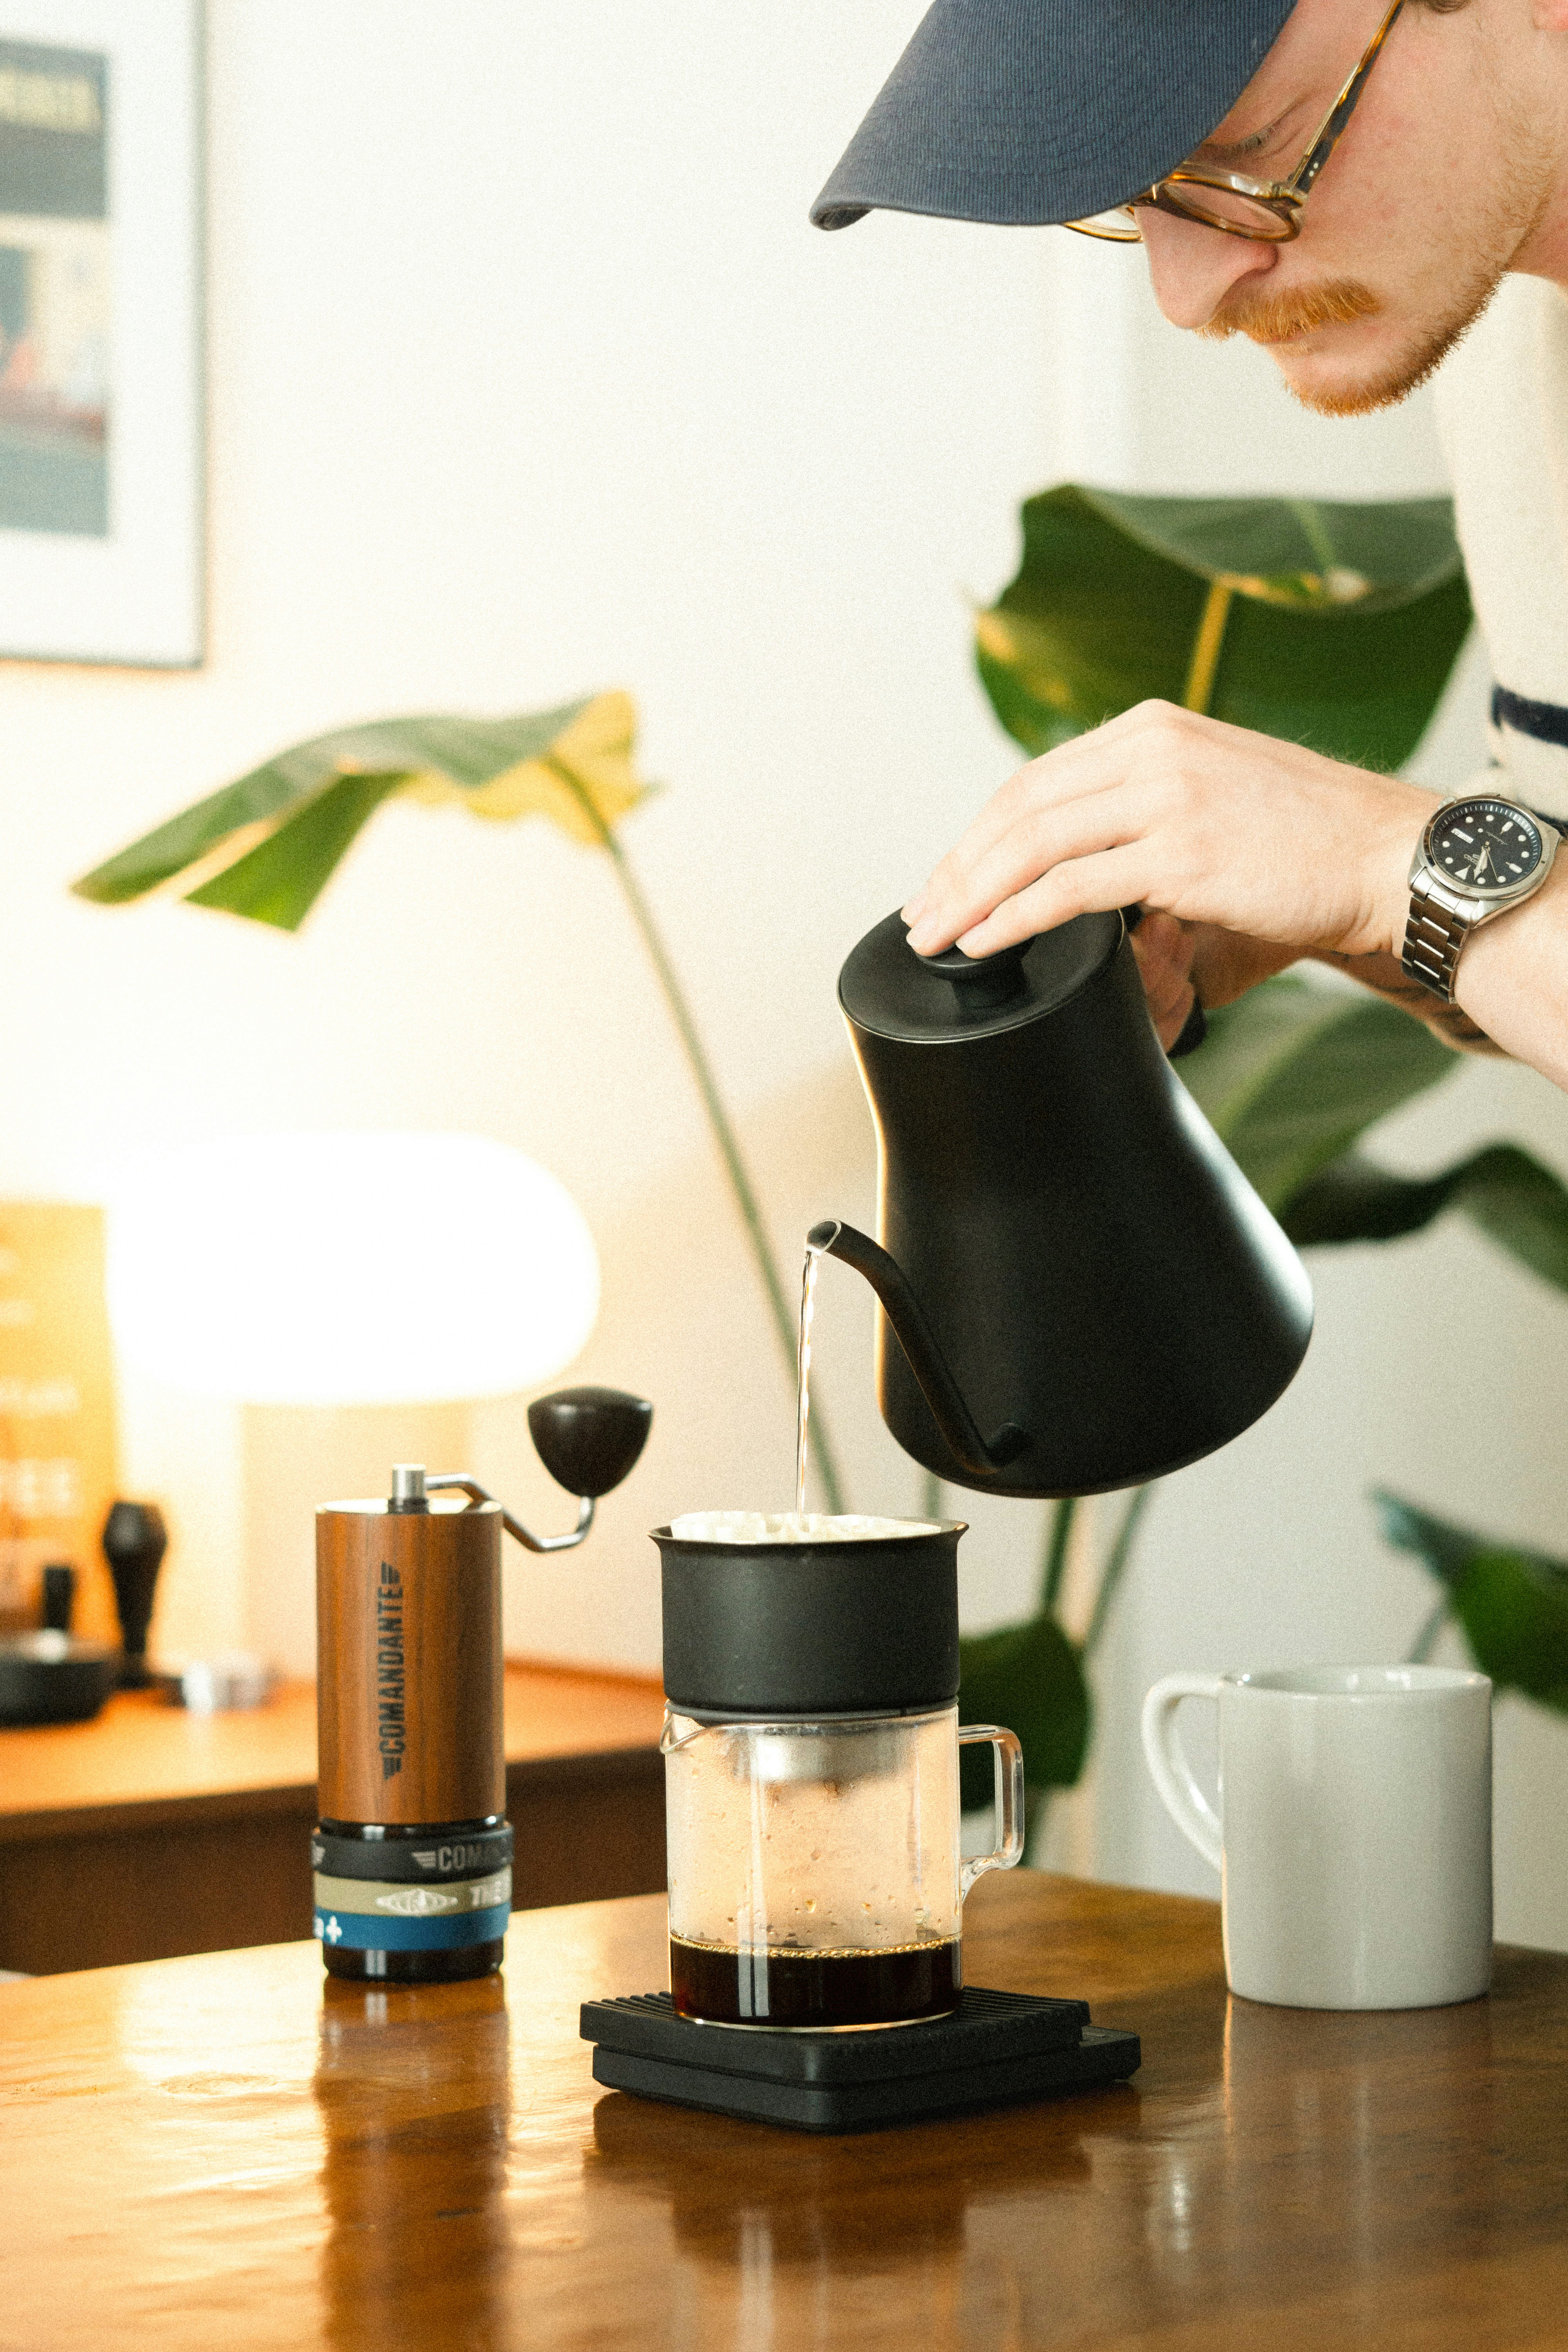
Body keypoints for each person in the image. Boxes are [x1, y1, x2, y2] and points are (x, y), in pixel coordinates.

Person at [811, 0, 1568, 1092]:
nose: (1187, 292)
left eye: (1253, 148)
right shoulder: (1504, 336)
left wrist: (1382, 865)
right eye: (1140, 196)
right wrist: (1267, 916)